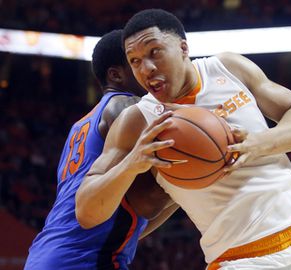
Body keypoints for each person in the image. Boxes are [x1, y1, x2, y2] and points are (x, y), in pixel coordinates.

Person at [82, 9, 291, 270]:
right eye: (135, 61)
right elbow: (86, 211)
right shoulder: (137, 120)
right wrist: (131, 165)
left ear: (183, 48)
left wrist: (257, 144)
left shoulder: (228, 68)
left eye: (154, 52)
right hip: (238, 260)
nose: (146, 68)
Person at [25, 29, 178, 270]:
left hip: (51, 254)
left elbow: (136, 224)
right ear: (116, 74)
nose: (149, 70)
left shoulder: (81, 125)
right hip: (82, 259)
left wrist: (186, 194)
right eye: (135, 63)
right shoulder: (127, 106)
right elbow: (150, 199)